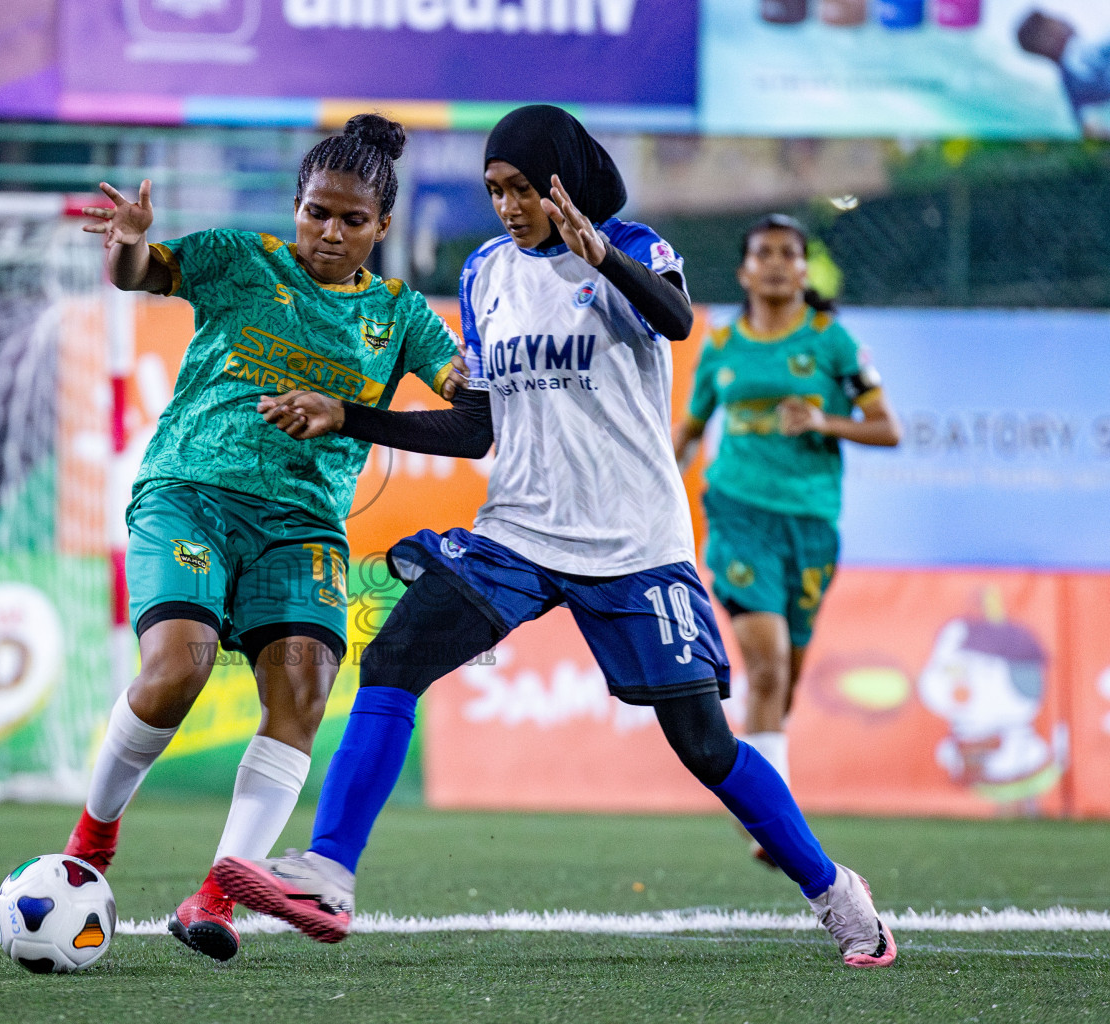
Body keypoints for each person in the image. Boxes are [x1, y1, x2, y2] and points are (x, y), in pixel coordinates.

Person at [212, 105, 897, 969]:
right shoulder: (487, 274)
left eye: (524, 189)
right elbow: (476, 430)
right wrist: (350, 416)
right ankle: (329, 872)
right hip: (520, 535)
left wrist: (599, 255)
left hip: (632, 545)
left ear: (563, 184)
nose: (507, 205)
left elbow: (678, 322)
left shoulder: (633, 248)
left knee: (705, 743)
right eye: (495, 189)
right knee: (391, 661)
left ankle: (835, 890)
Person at [59, 114, 467, 963]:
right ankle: (93, 839)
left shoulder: (400, 319)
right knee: (178, 669)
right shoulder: (240, 259)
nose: (331, 232)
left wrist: (480, 376)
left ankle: (219, 892)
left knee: (305, 692)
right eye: (318, 212)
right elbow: (142, 272)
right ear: (296, 207)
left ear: (383, 227)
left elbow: (472, 403)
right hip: (191, 493)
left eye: (353, 220)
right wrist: (131, 244)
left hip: (302, 527)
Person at [673, 215, 900, 867]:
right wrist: (659, 484)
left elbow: (888, 428)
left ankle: (768, 785)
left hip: (810, 525)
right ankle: (769, 820)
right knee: (766, 662)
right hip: (739, 513)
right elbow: (689, 432)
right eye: (763, 253)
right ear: (744, 271)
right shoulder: (721, 345)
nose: (775, 263)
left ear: (805, 270)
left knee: (788, 674)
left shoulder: (833, 344)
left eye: (788, 254)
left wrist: (824, 420)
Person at [1018, 10, 1110, 129]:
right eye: (1056, 20)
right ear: (1050, 36)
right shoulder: (1080, 51)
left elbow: (1090, 127)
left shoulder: (1070, 90)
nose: (1064, 20)